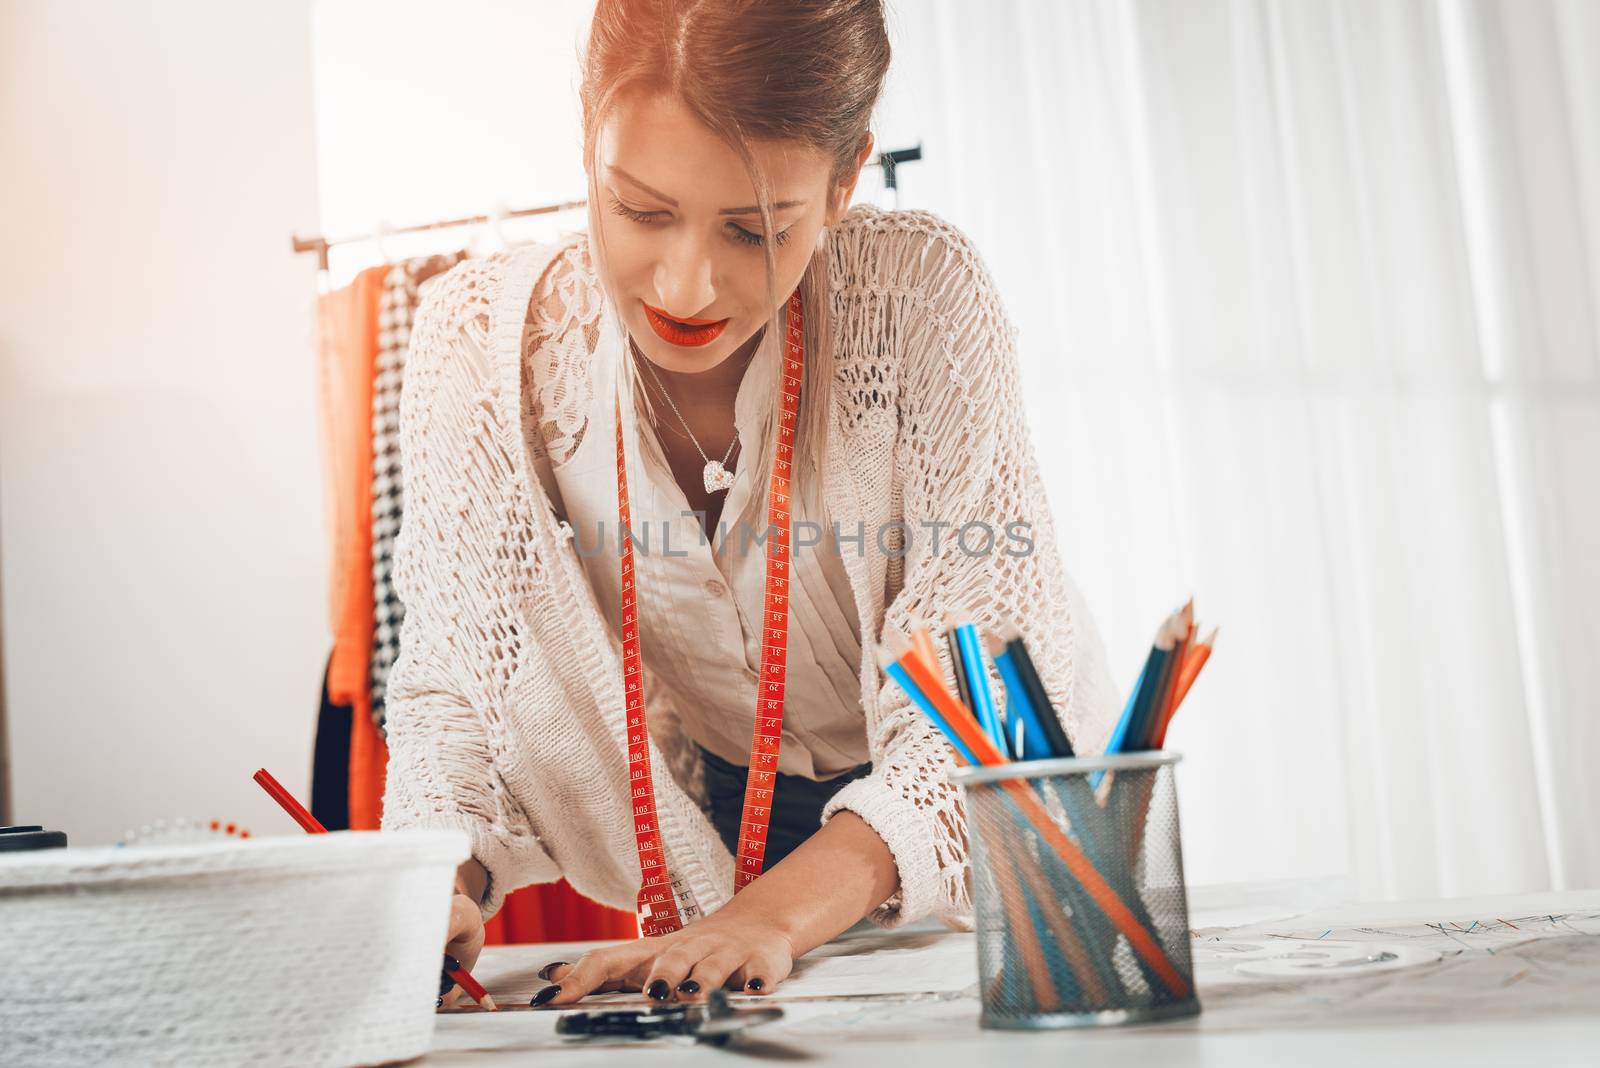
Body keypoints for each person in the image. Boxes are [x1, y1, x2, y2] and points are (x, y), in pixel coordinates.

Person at [382, 0, 1121, 1008]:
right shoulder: (473, 342)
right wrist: (442, 880)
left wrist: (771, 915)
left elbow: (981, 702)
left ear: (844, 180)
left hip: (987, 816)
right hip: (732, 820)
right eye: (640, 211)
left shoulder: (916, 293)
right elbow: (455, 688)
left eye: (755, 229)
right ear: (586, 130)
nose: (687, 285)